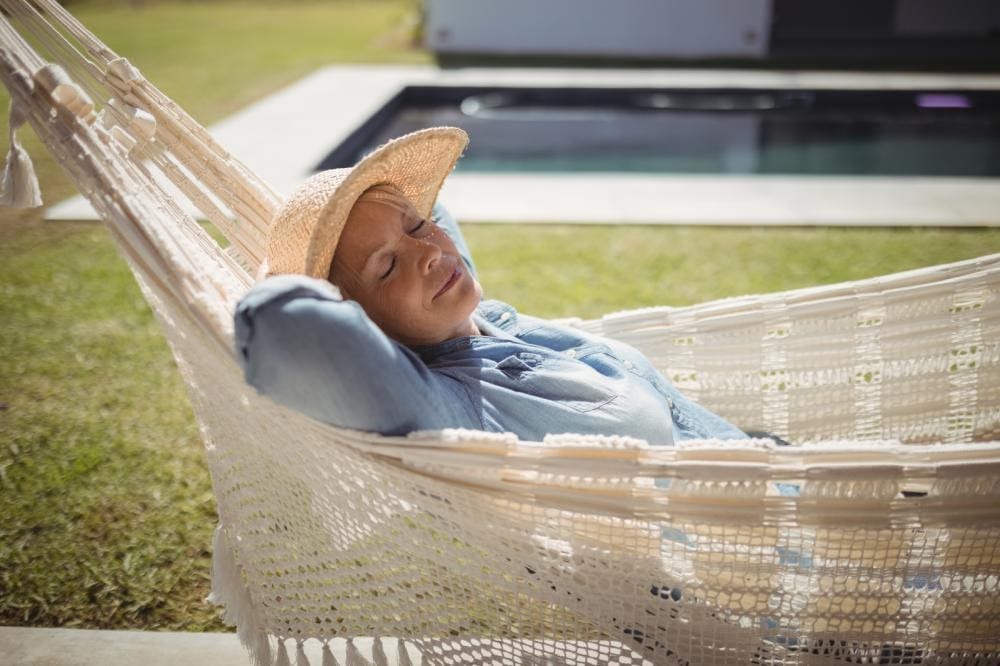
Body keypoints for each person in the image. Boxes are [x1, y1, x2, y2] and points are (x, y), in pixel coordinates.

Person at [234, 126, 750, 448]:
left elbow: (434, 213)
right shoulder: (451, 406)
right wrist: (287, 279)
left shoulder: (482, 318)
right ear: (360, 317)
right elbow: (290, 327)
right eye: (387, 266)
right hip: (760, 561)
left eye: (416, 228)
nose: (431, 251)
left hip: (765, 462)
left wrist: (376, 223)